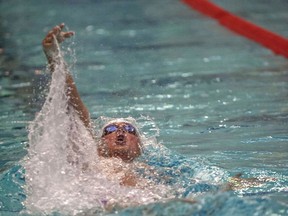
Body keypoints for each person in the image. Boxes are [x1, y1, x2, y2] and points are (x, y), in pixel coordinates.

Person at [42, 23, 142, 164]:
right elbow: (73, 101)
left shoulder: (154, 174)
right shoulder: (93, 161)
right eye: (111, 129)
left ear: (139, 146)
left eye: (129, 128)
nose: (121, 131)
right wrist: (54, 55)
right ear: (99, 144)